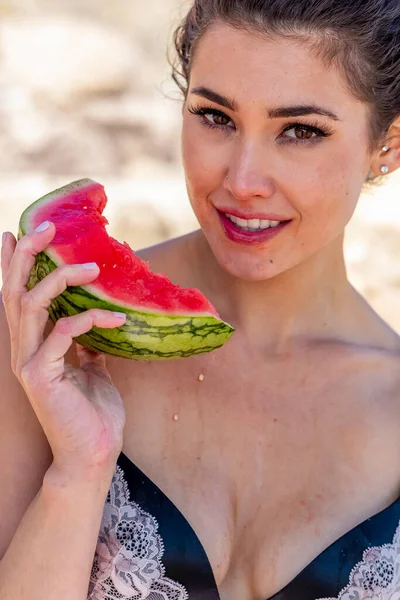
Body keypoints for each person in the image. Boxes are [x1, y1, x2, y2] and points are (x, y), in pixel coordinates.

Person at [0, 0, 400, 598]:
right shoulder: (56, 334)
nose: (242, 180)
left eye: (301, 131)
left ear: (387, 146)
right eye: (216, 117)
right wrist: (79, 474)